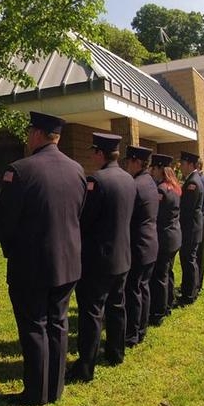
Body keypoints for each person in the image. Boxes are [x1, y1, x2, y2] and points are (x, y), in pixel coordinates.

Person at [0, 112, 87, 405]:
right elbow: (78, 214)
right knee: (58, 324)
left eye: (28, 132)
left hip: (31, 264)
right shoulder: (77, 170)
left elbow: (5, 222)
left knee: (34, 325)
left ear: (37, 134)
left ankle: (36, 392)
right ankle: (54, 388)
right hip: (68, 262)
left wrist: (9, 250)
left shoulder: (19, 171)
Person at [67, 132, 136, 383]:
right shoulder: (129, 179)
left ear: (99, 153)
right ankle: (116, 353)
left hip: (98, 259)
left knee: (92, 312)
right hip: (122, 255)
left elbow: (84, 220)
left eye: (93, 152)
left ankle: (86, 366)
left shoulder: (97, 180)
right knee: (117, 306)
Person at [124, 146, 159, 348]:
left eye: (129, 161)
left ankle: (132, 334)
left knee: (134, 289)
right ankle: (141, 329)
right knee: (143, 287)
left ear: (137, 162)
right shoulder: (150, 182)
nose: (127, 164)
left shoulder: (136, 184)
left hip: (138, 244)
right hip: (150, 242)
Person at [148, 154, 181, 324]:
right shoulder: (174, 187)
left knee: (160, 275)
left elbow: (156, 215)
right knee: (168, 273)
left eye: (153, 168)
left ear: (160, 169)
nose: (151, 171)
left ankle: (159, 312)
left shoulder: (161, 190)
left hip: (165, 238)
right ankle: (168, 303)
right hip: (174, 236)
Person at [178, 151, 204, 305]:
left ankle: (188, 294)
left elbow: (186, 208)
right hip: (192, 228)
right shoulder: (193, 180)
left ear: (190, 164)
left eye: (182, 163)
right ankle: (190, 291)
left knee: (188, 261)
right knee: (189, 260)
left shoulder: (193, 183)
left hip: (190, 228)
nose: (181, 166)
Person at [195, 157, 204, 295]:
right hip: (201, 217)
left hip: (200, 217)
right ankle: (198, 282)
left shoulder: (200, 180)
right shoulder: (203, 179)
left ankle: (198, 282)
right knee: (199, 252)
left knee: (199, 253)